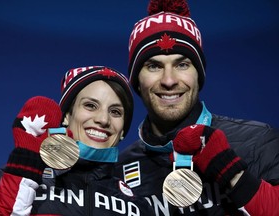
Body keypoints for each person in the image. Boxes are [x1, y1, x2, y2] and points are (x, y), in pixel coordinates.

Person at [114, 0, 279, 215]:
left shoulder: (259, 141)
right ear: (136, 80)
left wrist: (232, 172)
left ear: (198, 76)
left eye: (182, 64)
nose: (169, 80)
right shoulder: (122, 169)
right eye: (154, 66)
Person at [0, 66, 155, 215]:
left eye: (115, 112)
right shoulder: (10, 177)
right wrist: (25, 168)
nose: (104, 119)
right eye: (90, 105)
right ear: (67, 116)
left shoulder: (138, 205)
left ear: (122, 131)